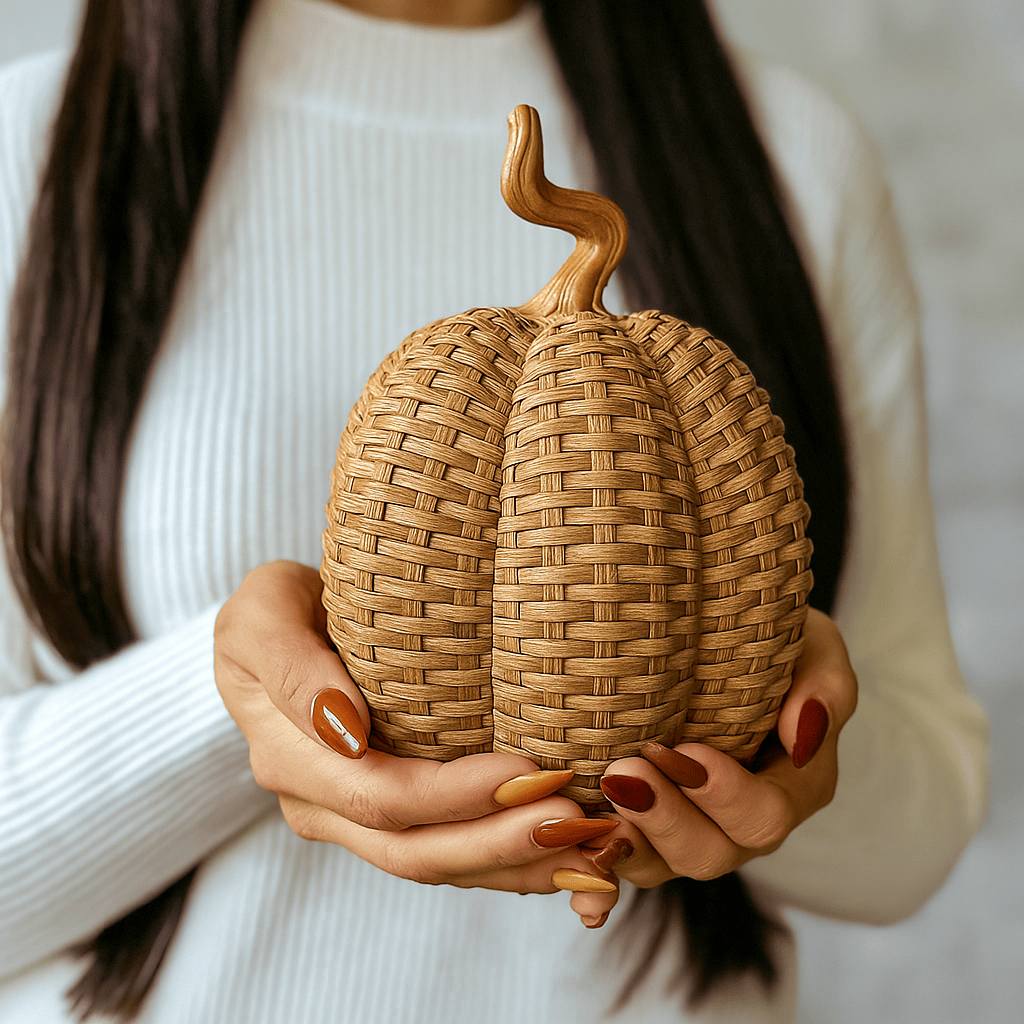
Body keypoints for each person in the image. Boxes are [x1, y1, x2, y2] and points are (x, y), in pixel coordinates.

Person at [0, 1, 988, 1021]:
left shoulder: (792, 154)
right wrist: (243, 699)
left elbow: (921, 833)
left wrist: (779, 749)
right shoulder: (31, 142)